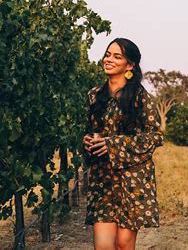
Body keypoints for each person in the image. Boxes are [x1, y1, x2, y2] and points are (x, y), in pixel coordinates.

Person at [81, 38, 164, 250]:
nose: (109, 59)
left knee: (123, 244)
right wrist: (89, 141)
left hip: (132, 180)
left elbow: (156, 136)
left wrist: (113, 144)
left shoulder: (141, 98)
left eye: (117, 56)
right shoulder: (94, 95)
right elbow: (89, 131)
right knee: (103, 246)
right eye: (108, 54)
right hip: (103, 179)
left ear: (130, 65)